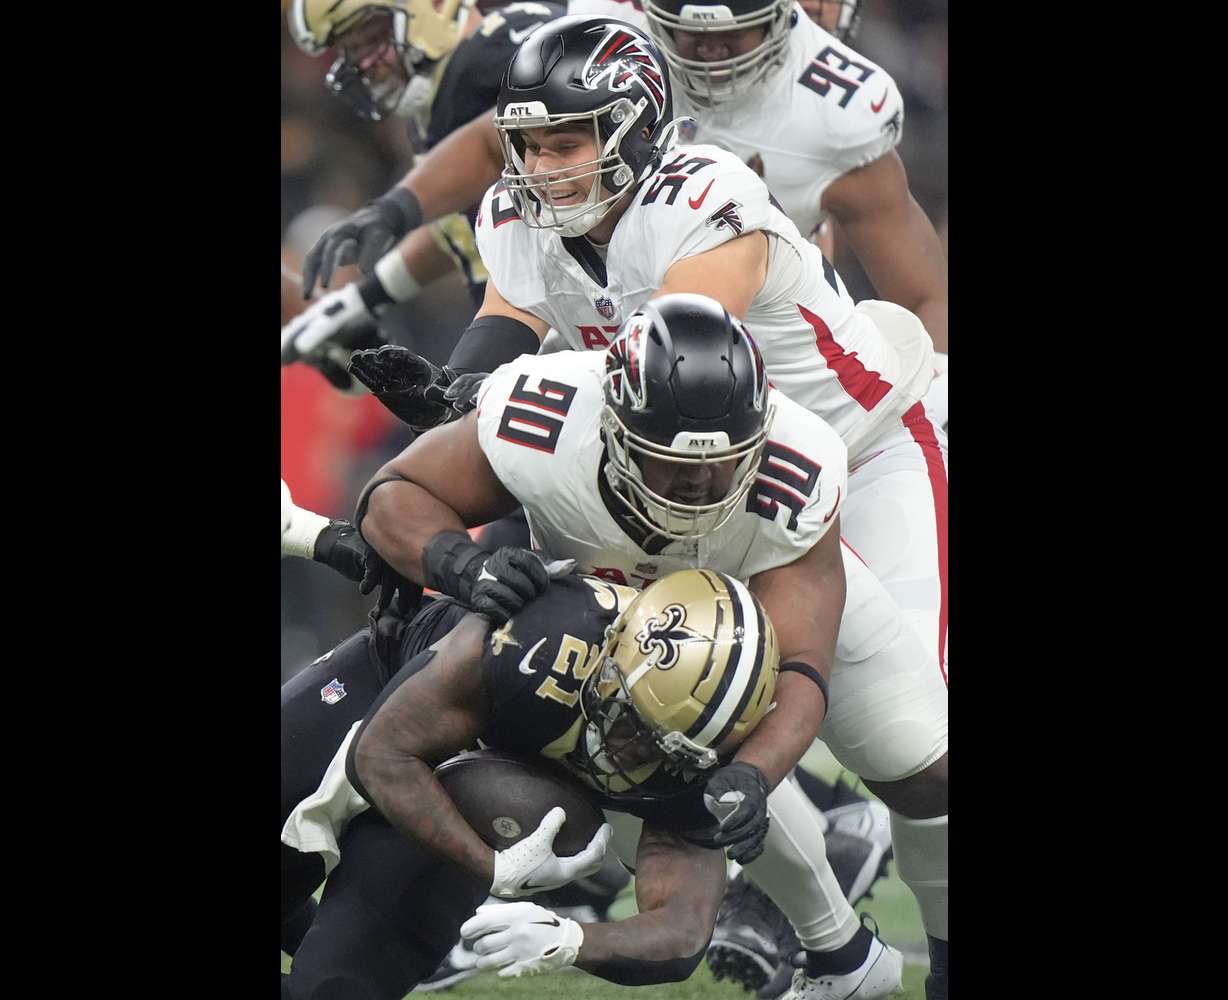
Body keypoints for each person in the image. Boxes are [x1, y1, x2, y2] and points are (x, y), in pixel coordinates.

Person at [351, 294, 947, 999]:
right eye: (672, 463)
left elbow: (803, 665)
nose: (698, 483)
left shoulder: (798, 463)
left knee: (919, 764)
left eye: (723, 464)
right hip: (628, 629)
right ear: (616, 429)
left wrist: (758, 772)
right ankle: (844, 959)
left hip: (758, 591)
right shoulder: (551, 417)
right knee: (661, 758)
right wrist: (459, 561)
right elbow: (397, 490)